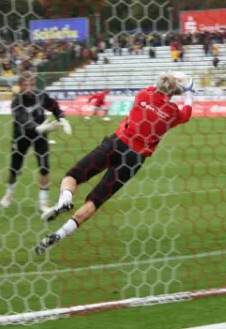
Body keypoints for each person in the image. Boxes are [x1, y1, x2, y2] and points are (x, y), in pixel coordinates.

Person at [34, 72, 195, 255]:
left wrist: (170, 77)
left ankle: (65, 200)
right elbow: (187, 113)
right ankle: (59, 235)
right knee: (96, 200)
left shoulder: (142, 95)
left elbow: (156, 88)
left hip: (116, 143)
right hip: (134, 159)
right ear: (173, 92)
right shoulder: (172, 112)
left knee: (73, 175)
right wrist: (189, 91)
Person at [0, 71, 72, 211]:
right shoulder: (16, 102)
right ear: (20, 85)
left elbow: (54, 106)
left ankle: (43, 203)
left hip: (40, 135)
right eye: (26, 85)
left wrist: (62, 118)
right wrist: (38, 128)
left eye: (32, 84)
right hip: (21, 136)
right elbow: (22, 121)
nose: (30, 88)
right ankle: (10, 192)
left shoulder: (40, 96)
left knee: (44, 168)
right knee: (15, 168)